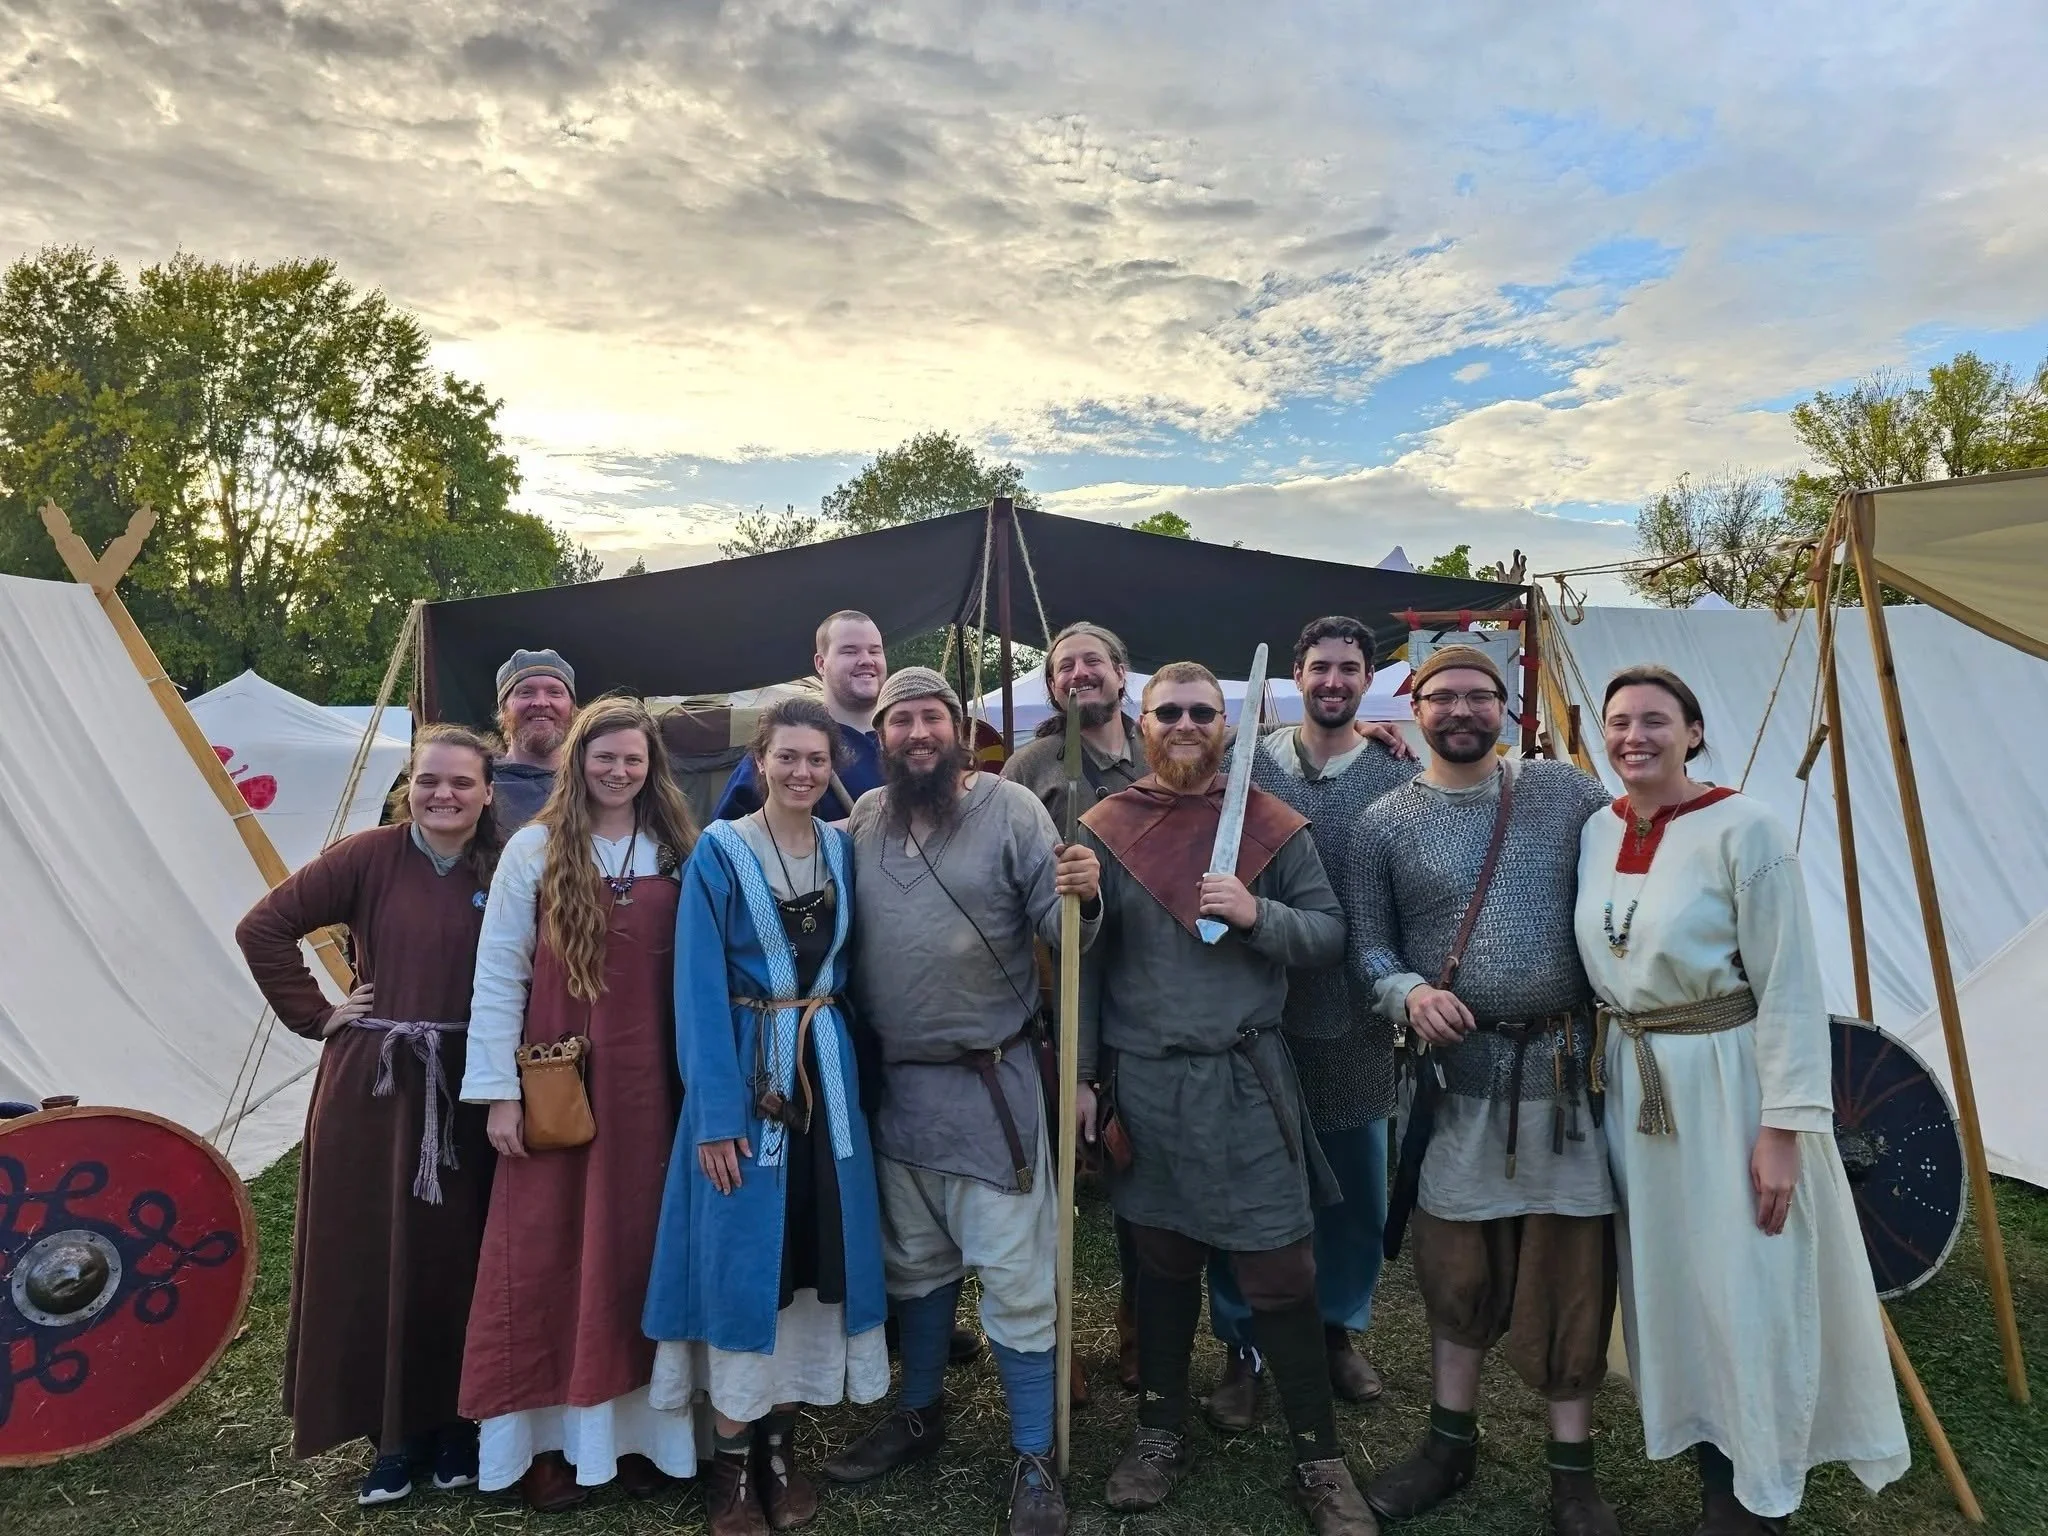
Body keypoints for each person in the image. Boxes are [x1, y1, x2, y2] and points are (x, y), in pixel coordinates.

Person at [1577, 667, 1908, 1534]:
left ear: (1693, 731)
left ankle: (1753, 1499)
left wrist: (1784, 1131)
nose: (1632, 737)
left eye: (1655, 720)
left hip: (1730, 1092)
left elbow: (1791, 987)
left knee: (1748, 1289)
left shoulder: (1747, 828)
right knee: (1679, 1289)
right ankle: (1709, 1470)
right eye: (1618, 722)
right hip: (1641, 1100)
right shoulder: (1593, 830)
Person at [1075, 661, 1370, 1534]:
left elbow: (1327, 937)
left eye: (1204, 711)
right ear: (1142, 721)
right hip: (1150, 1081)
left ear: (1227, 727)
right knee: (1162, 1264)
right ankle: (1159, 1430)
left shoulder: (1275, 829)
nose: (1186, 724)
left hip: (1248, 1079)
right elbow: (1086, 968)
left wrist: (1255, 914)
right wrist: (1088, 1079)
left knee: (1282, 1270)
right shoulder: (1107, 828)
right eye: (1170, 711)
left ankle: (1318, 1457)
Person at [1345, 644, 1618, 1536]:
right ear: (1413, 708)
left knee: (1572, 1278)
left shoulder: (1564, 793)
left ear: (1504, 706)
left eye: (1478, 696)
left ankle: (1572, 1474)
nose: (1461, 710)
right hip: (1455, 1085)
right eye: (1442, 697)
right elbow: (1368, 947)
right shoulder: (1383, 823)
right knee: (1454, 1273)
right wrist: (1410, 993)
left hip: (1564, 1075)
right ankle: (1447, 1443)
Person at [821, 667, 1100, 1536]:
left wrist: (1082, 895)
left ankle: (1030, 1452)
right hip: (897, 1089)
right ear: (882, 737)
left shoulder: (1013, 811)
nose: (916, 733)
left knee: (1016, 1276)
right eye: (899, 719)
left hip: (992, 1088)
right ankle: (920, 1409)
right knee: (916, 1262)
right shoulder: (863, 821)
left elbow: (1064, 935)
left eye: (931, 717)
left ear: (957, 726)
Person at [235, 725, 504, 1507]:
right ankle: (391, 1434)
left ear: (488, 792)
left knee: (461, 1255)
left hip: (469, 1084)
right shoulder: (367, 856)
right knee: (377, 1252)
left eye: (461, 782)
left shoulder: (504, 862)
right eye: (429, 780)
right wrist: (318, 1013)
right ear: (408, 787)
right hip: (377, 1086)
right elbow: (263, 928)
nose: (443, 794)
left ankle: (459, 1423)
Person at [643, 697, 890, 1536]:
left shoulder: (840, 847)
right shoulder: (720, 851)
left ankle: (781, 1447)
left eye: (816, 760)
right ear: (759, 761)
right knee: (747, 1262)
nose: (801, 772)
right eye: (787, 757)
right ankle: (730, 1467)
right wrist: (716, 1117)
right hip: (749, 1077)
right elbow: (697, 993)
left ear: (833, 768)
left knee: (813, 1258)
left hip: (829, 1080)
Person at [458, 697, 700, 1509]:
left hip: (655, 1094)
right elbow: (501, 977)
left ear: (651, 765)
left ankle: (643, 1436)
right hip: (559, 1089)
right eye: (604, 757)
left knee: (638, 1257)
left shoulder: (676, 850)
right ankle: (551, 1444)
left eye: (633, 759)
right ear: (578, 760)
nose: (618, 771)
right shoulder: (533, 850)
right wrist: (498, 1096)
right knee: (549, 1255)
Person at [1205, 616, 1421, 1434]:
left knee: (1353, 1192)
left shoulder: (1395, 776)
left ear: (1369, 679)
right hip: (1257, 1007)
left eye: (1350, 668)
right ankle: (1241, 1341)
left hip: (1355, 1012)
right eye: (1320, 667)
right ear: (1296, 673)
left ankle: (1336, 1327)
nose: (1333, 681)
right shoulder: (1245, 761)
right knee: (1248, 1185)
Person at [713, 611, 888, 821]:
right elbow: (727, 839)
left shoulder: (910, 742)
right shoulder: (785, 745)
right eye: (850, 651)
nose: (866, 660)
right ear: (821, 664)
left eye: (875, 651)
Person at [493, 648, 577, 831]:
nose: (541, 702)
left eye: (554, 692)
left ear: (572, 708)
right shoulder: (481, 785)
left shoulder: (592, 782)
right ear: (503, 710)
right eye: (526, 692)